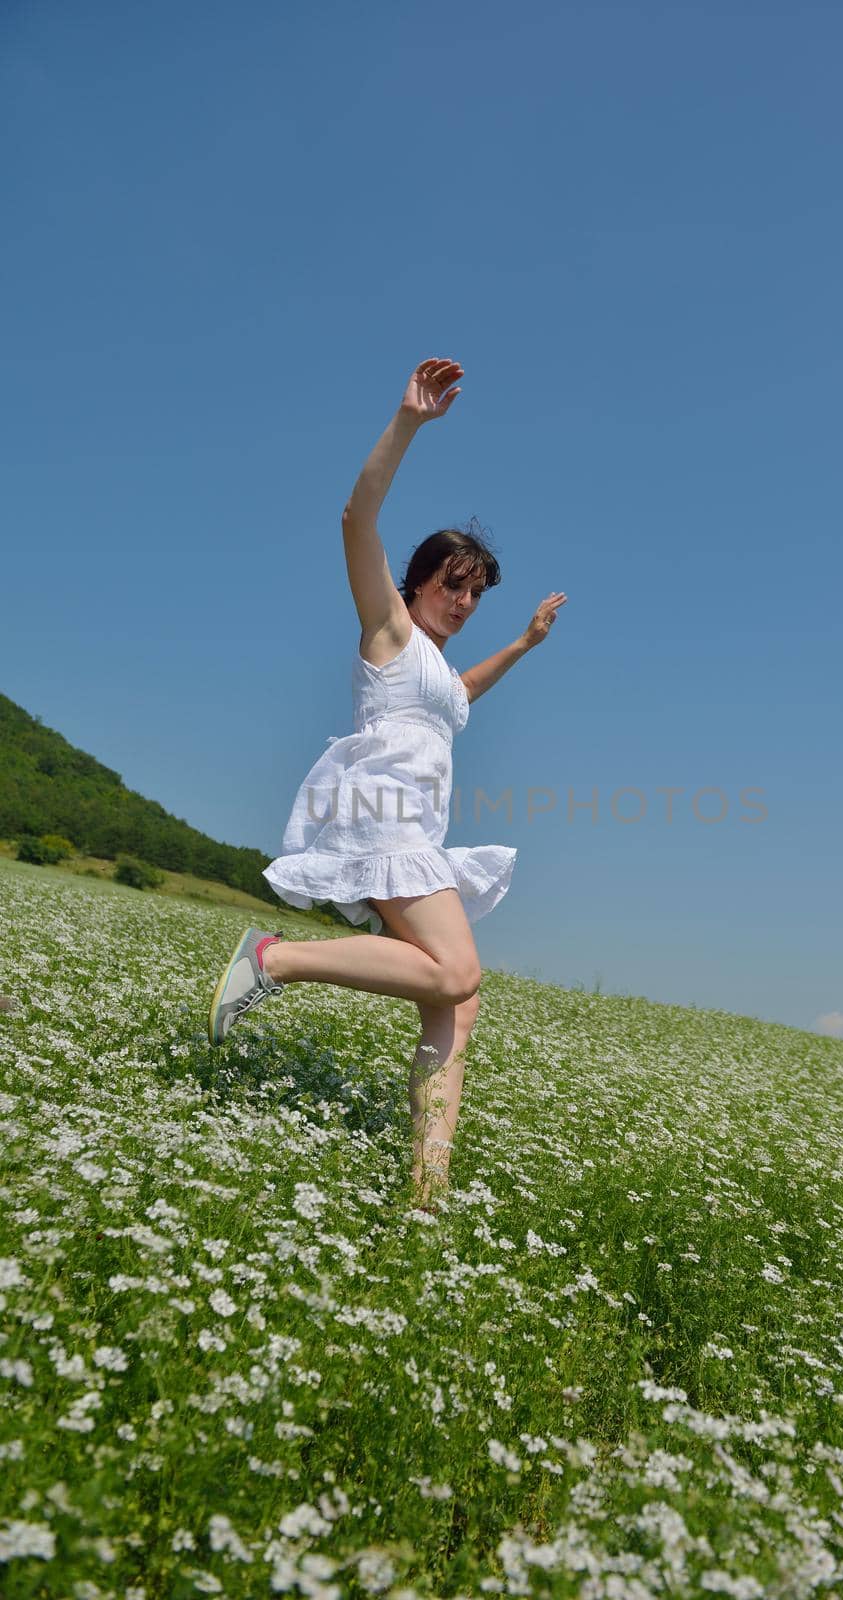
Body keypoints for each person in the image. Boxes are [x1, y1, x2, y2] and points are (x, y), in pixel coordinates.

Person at [207, 356, 567, 1213]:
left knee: (458, 1007)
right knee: (455, 972)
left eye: (476, 593)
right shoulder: (389, 626)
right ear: (420, 577)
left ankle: (425, 1193)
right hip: (384, 819)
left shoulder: (438, 674)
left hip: (417, 828)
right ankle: (275, 960)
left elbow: (460, 694)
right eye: (456, 582)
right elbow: (355, 517)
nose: (464, 600)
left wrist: (521, 644)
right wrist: (407, 423)